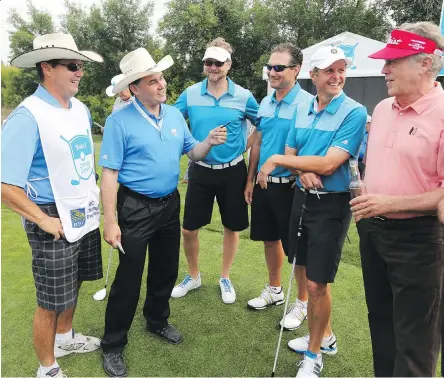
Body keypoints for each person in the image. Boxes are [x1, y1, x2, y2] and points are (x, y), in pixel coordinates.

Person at [98, 47, 227, 377]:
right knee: (128, 278)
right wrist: (110, 221)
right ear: (136, 88)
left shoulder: (172, 115)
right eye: (152, 81)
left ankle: (156, 319)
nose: (161, 85)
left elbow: (193, 153)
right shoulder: (119, 121)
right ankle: (113, 344)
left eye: (162, 78)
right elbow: (110, 174)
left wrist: (208, 142)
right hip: (134, 206)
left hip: (169, 203)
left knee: (166, 269)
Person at [258, 45, 367, 377]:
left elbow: (331, 163)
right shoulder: (302, 110)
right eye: (329, 71)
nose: (336, 76)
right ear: (314, 75)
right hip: (302, 198)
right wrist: (300, 170)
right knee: (301, 266)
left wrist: (279, 161)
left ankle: (314, 354)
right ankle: (327, 336)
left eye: (341, 70)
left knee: (318, 283)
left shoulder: (354, 111)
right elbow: (295, 150)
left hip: (331, 205)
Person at [1, 32, 104, 378]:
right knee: (49, 300)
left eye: (81, 66)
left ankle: (65, 338)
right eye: (73, 65)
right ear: (47, 68)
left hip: (82, 214)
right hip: (50, 216)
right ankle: (47, 369)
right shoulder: (27, 116)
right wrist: (42, 220)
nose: (80, 72)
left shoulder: (80, 109)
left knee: (73, 284)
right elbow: (5, 185)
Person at [350, 22, 444, 377]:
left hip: (418, 240)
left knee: (415, 340)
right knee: (382, 326)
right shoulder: (385, 108)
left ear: (425, 63)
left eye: (393, 61)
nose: (383, 69)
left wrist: (391, 203)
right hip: (373, 232)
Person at [171, 37, 259, 304]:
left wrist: (246, 147)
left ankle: (225, 277)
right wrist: (190, 145)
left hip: (233, 171)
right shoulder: (191, 93)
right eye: (208, 62)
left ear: (228, 65)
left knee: (232, 228)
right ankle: (194, 276)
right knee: (188, 229)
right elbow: (172, 121)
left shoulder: (244, 96)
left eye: (218, 63)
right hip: (200, 169)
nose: (213, 67)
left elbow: (263, 126)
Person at [245, 42, 313, 334]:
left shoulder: (308, 103)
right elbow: (258, 141)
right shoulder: (266, 100)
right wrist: (249, 179)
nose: (271, 72)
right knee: (269, 239)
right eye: (269, 67)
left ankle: (303, 302)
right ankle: (274, 289)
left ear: (296, 70)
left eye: (278, 67)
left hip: (292, 187)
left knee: (297, 250)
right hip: (263, 184)